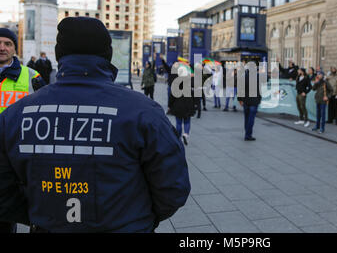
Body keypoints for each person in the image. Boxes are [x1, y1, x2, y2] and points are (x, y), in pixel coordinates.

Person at [0, 17, 190, 233]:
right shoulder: (144, 112)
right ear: (107, 54)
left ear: (59, 54)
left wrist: (43, 217)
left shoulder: (14, 115)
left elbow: (4, 191)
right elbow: (173, 187)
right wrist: (138, 219)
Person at [0, 28, 45, 233]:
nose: (2, 48)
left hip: (16, 154)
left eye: (8, 44)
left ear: (14, 48)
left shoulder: (31, 76)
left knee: (9, 208)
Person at [237, 62, 262, 141]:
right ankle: (248, 134)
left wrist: (240, 99)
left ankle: (247, 133)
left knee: (246, 117)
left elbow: (240, 89)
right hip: (254, 101)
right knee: (251, 118)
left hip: (246, 100)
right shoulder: (258, 77)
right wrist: (259, 99)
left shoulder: (243, 77)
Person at [172, 66, 196, 145]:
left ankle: (179, 138)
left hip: (178, 104)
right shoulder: (191, 81)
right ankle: (185, 134)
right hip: (188, 104)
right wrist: (195, 104)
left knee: (178, 122)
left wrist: (170, 105)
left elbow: (172, 95)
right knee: (187, 121)